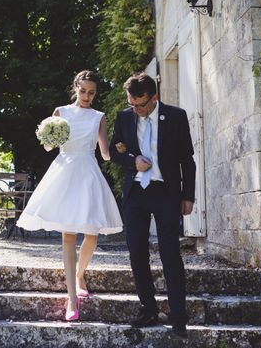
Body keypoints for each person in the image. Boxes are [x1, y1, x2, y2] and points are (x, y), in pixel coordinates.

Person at [17, 70, 123, 321]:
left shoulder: (99, 117)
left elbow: (105, 154)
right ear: (75, 87)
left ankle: (79, 273)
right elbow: (47, 146)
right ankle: (72, 299)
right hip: (64, 173)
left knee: (92, 235)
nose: (87, 96)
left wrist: (121, 148)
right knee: (67, 236)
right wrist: (49, 135)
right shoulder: (60, 113)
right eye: (83, 90)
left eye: (92, 92)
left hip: (88, 174)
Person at [109, 72, 196, 338]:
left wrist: (188, 196)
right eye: (131, 104)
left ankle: (178, 317)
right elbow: (113, 152)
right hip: (135, 193)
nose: (135, 109)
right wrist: (131, 161)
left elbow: (187, 160)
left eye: (140, 104)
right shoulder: (124, 117)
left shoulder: (176, 116)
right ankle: (148, 309)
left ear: (154, 97)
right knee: (136, 253)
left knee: (170, 254)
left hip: (165, 193)